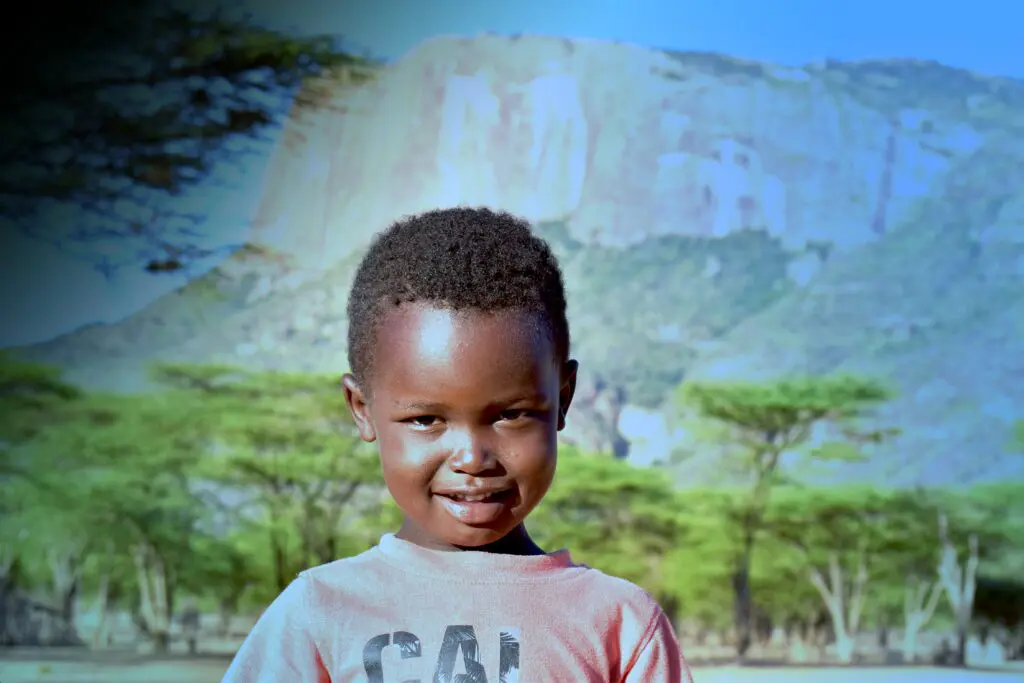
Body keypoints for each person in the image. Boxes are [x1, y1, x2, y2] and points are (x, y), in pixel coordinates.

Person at [221, 207, 692, 682]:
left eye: (510, 415)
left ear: (563, 399)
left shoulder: (620, 623)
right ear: (362, 408)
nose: (471, 458)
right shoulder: (318, 612)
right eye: (425, 419)